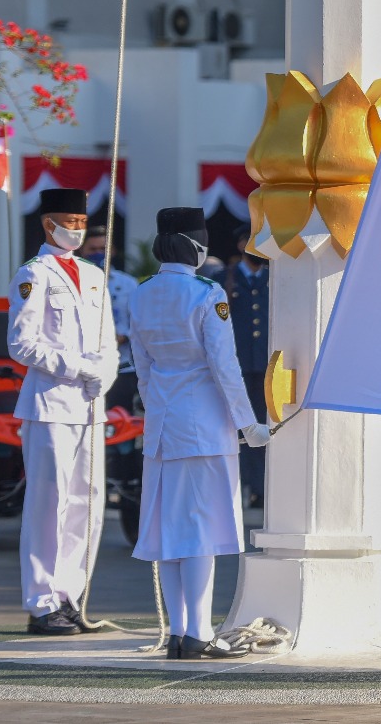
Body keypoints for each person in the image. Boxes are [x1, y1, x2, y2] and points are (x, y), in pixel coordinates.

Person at [128, 207, 271, 660]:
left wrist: (158, 411)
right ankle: (199, 632)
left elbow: (143, 369)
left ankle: (178, 632)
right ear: (195, 245)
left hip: (162, 426)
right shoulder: (207, 293)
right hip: (205, 426)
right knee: (201, 533)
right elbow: (225, 367)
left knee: (170, 534)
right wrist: (248, 423)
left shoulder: (141, 293)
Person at [7, 187, 119, 636]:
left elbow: (109, 340)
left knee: (87, 505)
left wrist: (104, 374)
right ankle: (41, 603)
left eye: (81, 222)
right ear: (48, 223)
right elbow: (21, 345)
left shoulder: (93, 275)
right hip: (51, 404)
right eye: (69, 222)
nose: (77, 229)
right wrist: (78, 368)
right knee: (47, 505)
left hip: (90, 405)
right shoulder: (33, 274)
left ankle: (71, 597)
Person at [211, 226, 270, 507]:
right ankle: (245, 485)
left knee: (264, 424)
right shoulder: (223, 279)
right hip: (236, 365)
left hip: (266, 364)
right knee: (239, 426)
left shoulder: (275, 277)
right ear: (241, 244)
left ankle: (262, 487)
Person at [81, 227, 140, 412]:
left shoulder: (128, 283)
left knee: (120, 420)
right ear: (82, 250)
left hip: (121, 367)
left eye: (103, 249)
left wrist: (122, 336)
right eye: (92, 249)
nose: (98, 254)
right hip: (83, 367)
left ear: (112, 251)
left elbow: (139, 321)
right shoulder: (73, 282)